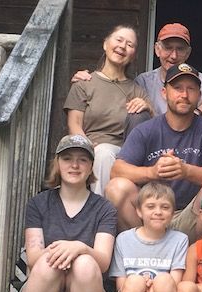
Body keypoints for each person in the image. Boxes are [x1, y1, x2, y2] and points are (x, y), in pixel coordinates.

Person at [11, 134, 116, 292]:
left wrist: (80, 248)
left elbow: (103, 261)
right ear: (57, 163)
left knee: (86, 263)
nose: (75, 165)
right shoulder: (39, 204)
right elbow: (33, 258)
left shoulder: (104, 208)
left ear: (91, 167)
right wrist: (63, 251)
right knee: (46, 263)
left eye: (82, 160)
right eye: (67, 158)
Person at [105, 63, 202, 243]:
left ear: (199, 95)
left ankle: (197, 251)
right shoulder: (146, 130)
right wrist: (152, 172)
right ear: (164, 93)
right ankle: (144, 246)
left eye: (191, 89)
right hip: (149, 215)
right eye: (177, 88)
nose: (184, 95)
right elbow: (117, 170)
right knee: (116, 188)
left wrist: (186, 171)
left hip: (190, 216)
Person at [64, 25, 152, 196]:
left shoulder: (137, 90)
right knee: (102, 153)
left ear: (133, 55)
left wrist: (148, 107)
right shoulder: (84, 83)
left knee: (105, 154)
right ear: (105, 44)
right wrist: (87, 146)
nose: (122, 46)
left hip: (124, 154)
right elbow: (74, 124)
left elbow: (155, 126)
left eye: (130, 45)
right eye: (119, 40)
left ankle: (103, 209)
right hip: (89, 148)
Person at [72, 23, 202, 120]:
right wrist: (92, 80)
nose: (173, 55)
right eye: (168, 48)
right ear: (157, 50)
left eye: (180, 49)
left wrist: (192, 115)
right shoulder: (143, 81)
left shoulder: (198, 78)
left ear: (188, 53)